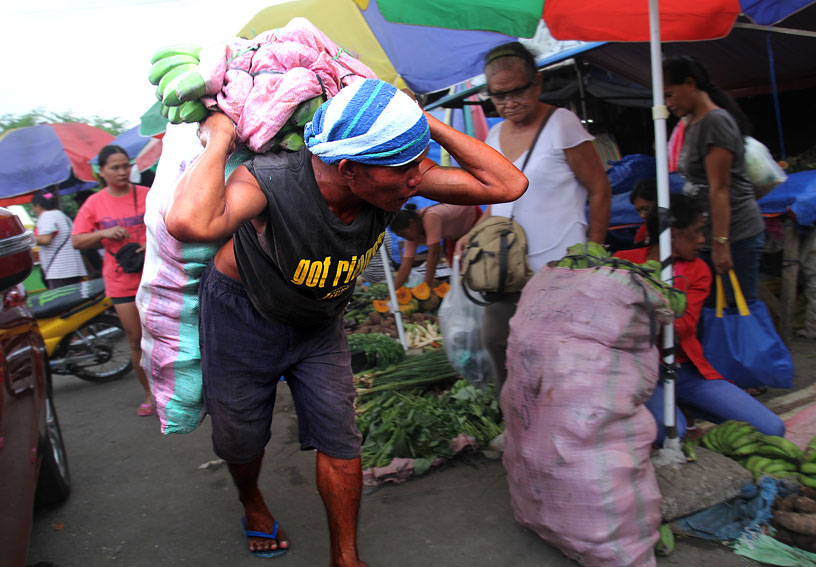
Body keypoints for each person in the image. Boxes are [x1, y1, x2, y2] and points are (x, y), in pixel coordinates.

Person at [163, 79, 527, 564]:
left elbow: (508, 185)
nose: (420, 179)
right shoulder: (268, 181)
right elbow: (189, 223)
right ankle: (251, 500)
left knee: (340, 437)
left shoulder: (395, 177)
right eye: (406, 169)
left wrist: (418, 122)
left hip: (318, 324)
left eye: (418, 164)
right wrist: (220, 138)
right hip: (242, 317)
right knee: (241, 439)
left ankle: (346, 557)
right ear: (350, 170)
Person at [463, 41, 612, 395]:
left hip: (559, 264)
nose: (509, 102)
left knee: (555, 349)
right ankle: (515, 418)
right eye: (499, 95)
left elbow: (600, 190)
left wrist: (592, 253)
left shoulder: (563, 124)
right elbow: (492, 196)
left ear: (538, 84)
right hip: (504, 266)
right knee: (497, 339)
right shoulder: (495, 134)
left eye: (518, 91)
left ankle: (560, 422)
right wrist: (477, 235)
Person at [614, 193, 784, 445]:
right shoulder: (622, 262)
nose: (703, 240)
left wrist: (645, 307)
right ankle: (672, 414)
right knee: (669, 433)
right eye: (698, 231)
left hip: (683, 370)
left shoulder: (697, 270)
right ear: (673, 233)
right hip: (636, 372)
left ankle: (685, 407)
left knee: (772, 428)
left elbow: (682, 327)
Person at [663, 55, 765, 302]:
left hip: (735, 233)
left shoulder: (715, 121)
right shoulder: (692, 123)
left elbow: (720, 188)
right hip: (710, 235)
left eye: (669, 94)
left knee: (736, 312)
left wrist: (721, 244)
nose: (667, 103)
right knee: (714, 312)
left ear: (689, 83)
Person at [72, 145, 154, 417]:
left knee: (173, 335)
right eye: (115, 167)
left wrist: (147, 241)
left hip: (155, 274)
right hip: (121, 281)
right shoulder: (94, 203)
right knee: (136, 340)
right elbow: (77, 240)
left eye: (125, 165)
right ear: (102, 172)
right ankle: (149, 393)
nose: (122, 171)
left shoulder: (147, 194)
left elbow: (168, 223)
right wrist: (105, 232)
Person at [389, 202, 481, 289]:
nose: (406, 238)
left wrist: (427, 286)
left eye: (404, 234)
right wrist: (392, 295)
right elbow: (405, 267)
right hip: (455, 235)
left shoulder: (430, 217)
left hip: (474, 221)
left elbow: (433, 254)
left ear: (412, 223)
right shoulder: (413, 231)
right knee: (456, 269)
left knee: (475, 266)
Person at [31, 190, 87, 289]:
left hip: (59, 270)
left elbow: (45, 239)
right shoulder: (61, 215)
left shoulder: (46, 216)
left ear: (38, 205)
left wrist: (26, 239)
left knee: (64, 302)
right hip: (73, 267)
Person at [629, 177, 657, 246]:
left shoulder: (678, 227)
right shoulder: (642, 232)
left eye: (646, 209)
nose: (642, 215)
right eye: (638, 211)